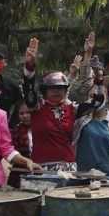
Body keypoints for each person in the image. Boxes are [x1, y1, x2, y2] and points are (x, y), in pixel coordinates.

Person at [22, 38, 78, 171]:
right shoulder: (36, 107)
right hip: (41, 169)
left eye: (60, 89)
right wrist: (30, 66)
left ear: (66, 91)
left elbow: (96, 102)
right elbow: (28, 90)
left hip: (69, 170)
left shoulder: (73, 109)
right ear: (44, 91)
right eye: (52, 89)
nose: (56, 92)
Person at [72, 84, 109, 177]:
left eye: (100, 96)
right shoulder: (80, 121)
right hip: (82, 176)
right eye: (92, 96)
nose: (96, 99)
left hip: (108, 177)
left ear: (107, 97)